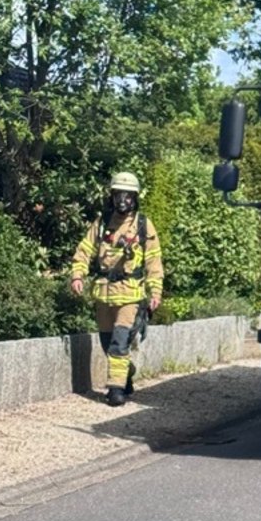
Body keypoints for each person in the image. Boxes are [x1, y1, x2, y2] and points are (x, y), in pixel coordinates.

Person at [70, 172, 165, 407]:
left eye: (127, 196)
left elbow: (154, 261)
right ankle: (126, 373)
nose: (122, 200)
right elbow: (85, 250)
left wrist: (155, 292)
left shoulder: (143, 225)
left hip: (130, 296)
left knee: (119, 343)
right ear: (112, 197)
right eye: (118, 195)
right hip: (103, 294)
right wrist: (77, 275)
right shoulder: (102, 223)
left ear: (134, 198)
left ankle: (115, 390)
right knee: (106, 343)